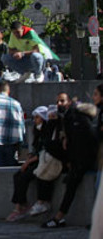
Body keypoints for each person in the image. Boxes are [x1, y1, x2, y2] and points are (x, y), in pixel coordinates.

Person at [41, 98, 98, 228]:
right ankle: (58, 216)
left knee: (72, 182)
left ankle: (59, 217)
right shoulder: (77, 121)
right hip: (78, 159)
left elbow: (85, 147)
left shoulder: (81, 122)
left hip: (84, 161)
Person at [6, 106, 57, 222]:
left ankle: (19, 208)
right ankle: (20, 205)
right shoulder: (37, 130)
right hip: (37, 160)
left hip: (44, 161)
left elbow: (45, 149)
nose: (35, 120)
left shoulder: (47, 130)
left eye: (37, 117)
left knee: (25, 175)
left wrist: (29, 161)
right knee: (18, 175)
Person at [0, 81, 25, 167]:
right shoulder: (16, 104)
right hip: (12, 142)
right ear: (8, 91)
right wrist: (21, 144)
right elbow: (21, 125)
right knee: (10, 170)